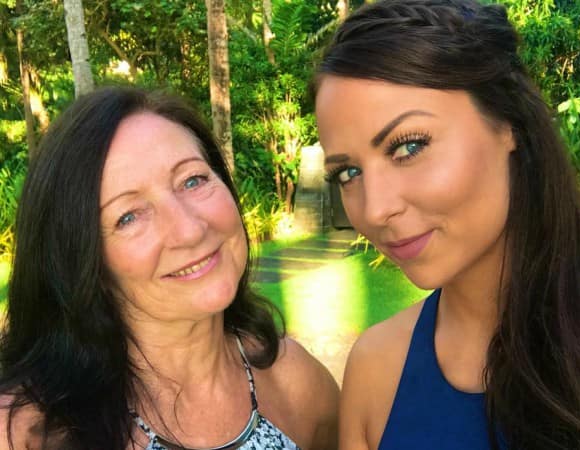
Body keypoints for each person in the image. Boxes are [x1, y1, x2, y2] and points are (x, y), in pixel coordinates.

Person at [314, 0, 580, 449]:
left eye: (408, 147)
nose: (374, 211)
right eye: (348, 174)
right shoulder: (377, 370)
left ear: (508, 122)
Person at [0, 86, 339, 450]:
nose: (189, 230)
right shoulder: (25, 432)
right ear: (83, 262)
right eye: (128, 216)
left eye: (193, 180)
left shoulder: (296, 383)